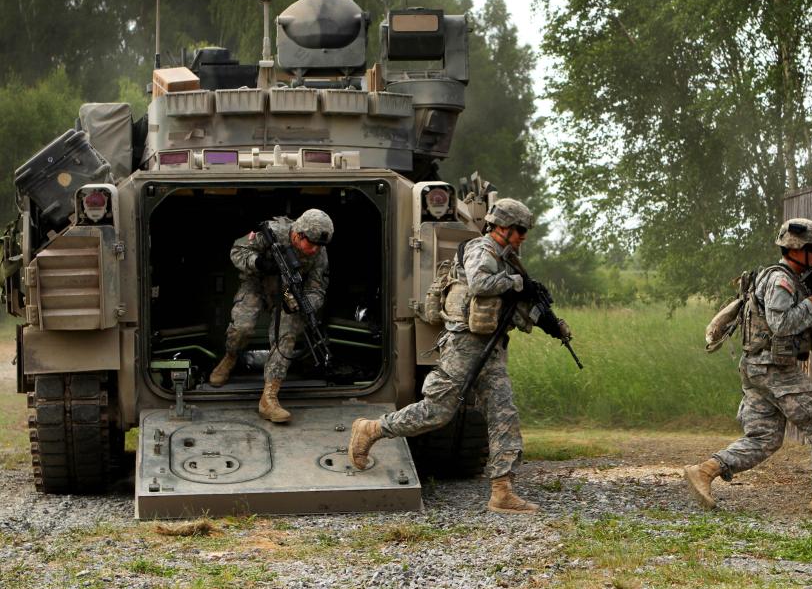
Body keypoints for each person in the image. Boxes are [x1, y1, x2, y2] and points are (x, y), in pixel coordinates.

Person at [348, 198, 569, 514]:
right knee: (437, 411)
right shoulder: (481, 250)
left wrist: (553, 323)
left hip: (491, 348)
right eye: (519, 230)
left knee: (503, 413)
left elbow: (517, 304)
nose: (523, 237)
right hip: (463, 345)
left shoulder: (507, 260)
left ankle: (502, 491)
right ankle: (372, 429)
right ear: (501, 227)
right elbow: (480, 284)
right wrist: (518, 284)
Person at [683, 218, 812, 516]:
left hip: (758, 367)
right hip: (774, 368)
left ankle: (705, 471)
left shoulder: (789, 280)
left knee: (764, 437)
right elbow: (781, 324)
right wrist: (811, 305)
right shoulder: (781, 280)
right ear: (796, 250)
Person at [208, 208, 333, 423]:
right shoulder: (274, 233)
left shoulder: (319, 254)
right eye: (310, 244)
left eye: (318, 246)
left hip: (287, 292)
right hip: (257, 284)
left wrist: (305, 305)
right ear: (297, 234)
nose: (313, 250)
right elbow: (237, 251)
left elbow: (317, 289)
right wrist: (258, 263)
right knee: (243, 327)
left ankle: (269, 398)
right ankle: (230, 357)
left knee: (287, 334)